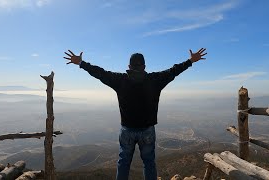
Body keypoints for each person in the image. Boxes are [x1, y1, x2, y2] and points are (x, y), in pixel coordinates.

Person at [63, 48, 207, 180]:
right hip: (147, 130)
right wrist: (190, 61)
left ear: (129, 67)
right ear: (144, 66)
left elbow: (100, 73)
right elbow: (173, 71)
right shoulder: (155, 80)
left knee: (123, 162)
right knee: (149, 162)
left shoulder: (120, 80)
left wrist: (81, 63)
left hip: (127, 130)